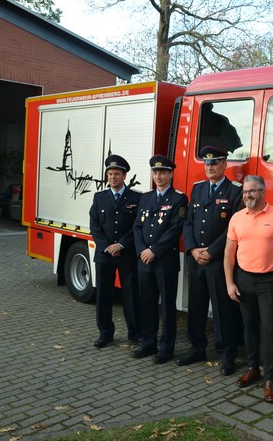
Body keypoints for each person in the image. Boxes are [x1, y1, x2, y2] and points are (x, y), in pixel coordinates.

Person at [224, 175, 273, 403]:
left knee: (270, 330)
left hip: (269, 282)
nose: (248, 196)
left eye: (252, 191)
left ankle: (270, 379)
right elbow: (228, 253)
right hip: (243, 279)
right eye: (245, 192)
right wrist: (229, 282)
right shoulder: (237, 218)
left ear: (263, 192)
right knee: (248, 326)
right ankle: (253, 368)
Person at [177, 146, 243, 375]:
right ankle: (197, 348)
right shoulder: (197, 189)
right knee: (195, 306)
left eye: (215, 163)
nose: (210, 167)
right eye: (207, 164)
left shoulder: (235, 191)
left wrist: (211, 251)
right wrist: (193, 249)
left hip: (218, 260)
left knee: (223, 310)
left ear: (225, 164)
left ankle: (227, 355)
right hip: (197, 260)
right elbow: (188, 223)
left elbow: (234, 228)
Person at [132, 155, 187, 364]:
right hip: (144, 261)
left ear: (171, 174)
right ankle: (148, 343)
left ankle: (166, 348)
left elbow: (175, 230)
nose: (158, 176)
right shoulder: (145, 198)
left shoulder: (178, 199)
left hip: (165, 262)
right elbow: (137, 227)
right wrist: (141, 251)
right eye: (155, 172)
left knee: (167, 307)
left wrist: (153, 250)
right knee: (146, 304)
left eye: (163, 172)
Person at [89, 154, 141, 348]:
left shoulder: (136, 197)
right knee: (103, 295)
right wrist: (107, 247)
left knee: (131, 295)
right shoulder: (99, 197)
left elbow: (137, 226)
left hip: (127, 254)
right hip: (104, 255)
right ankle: (105, 333)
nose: (112, 177)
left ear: (124, 176)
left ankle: (134, 333)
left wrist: (121, 245)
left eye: (116, 174)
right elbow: (95, 226)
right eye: (110, 174)